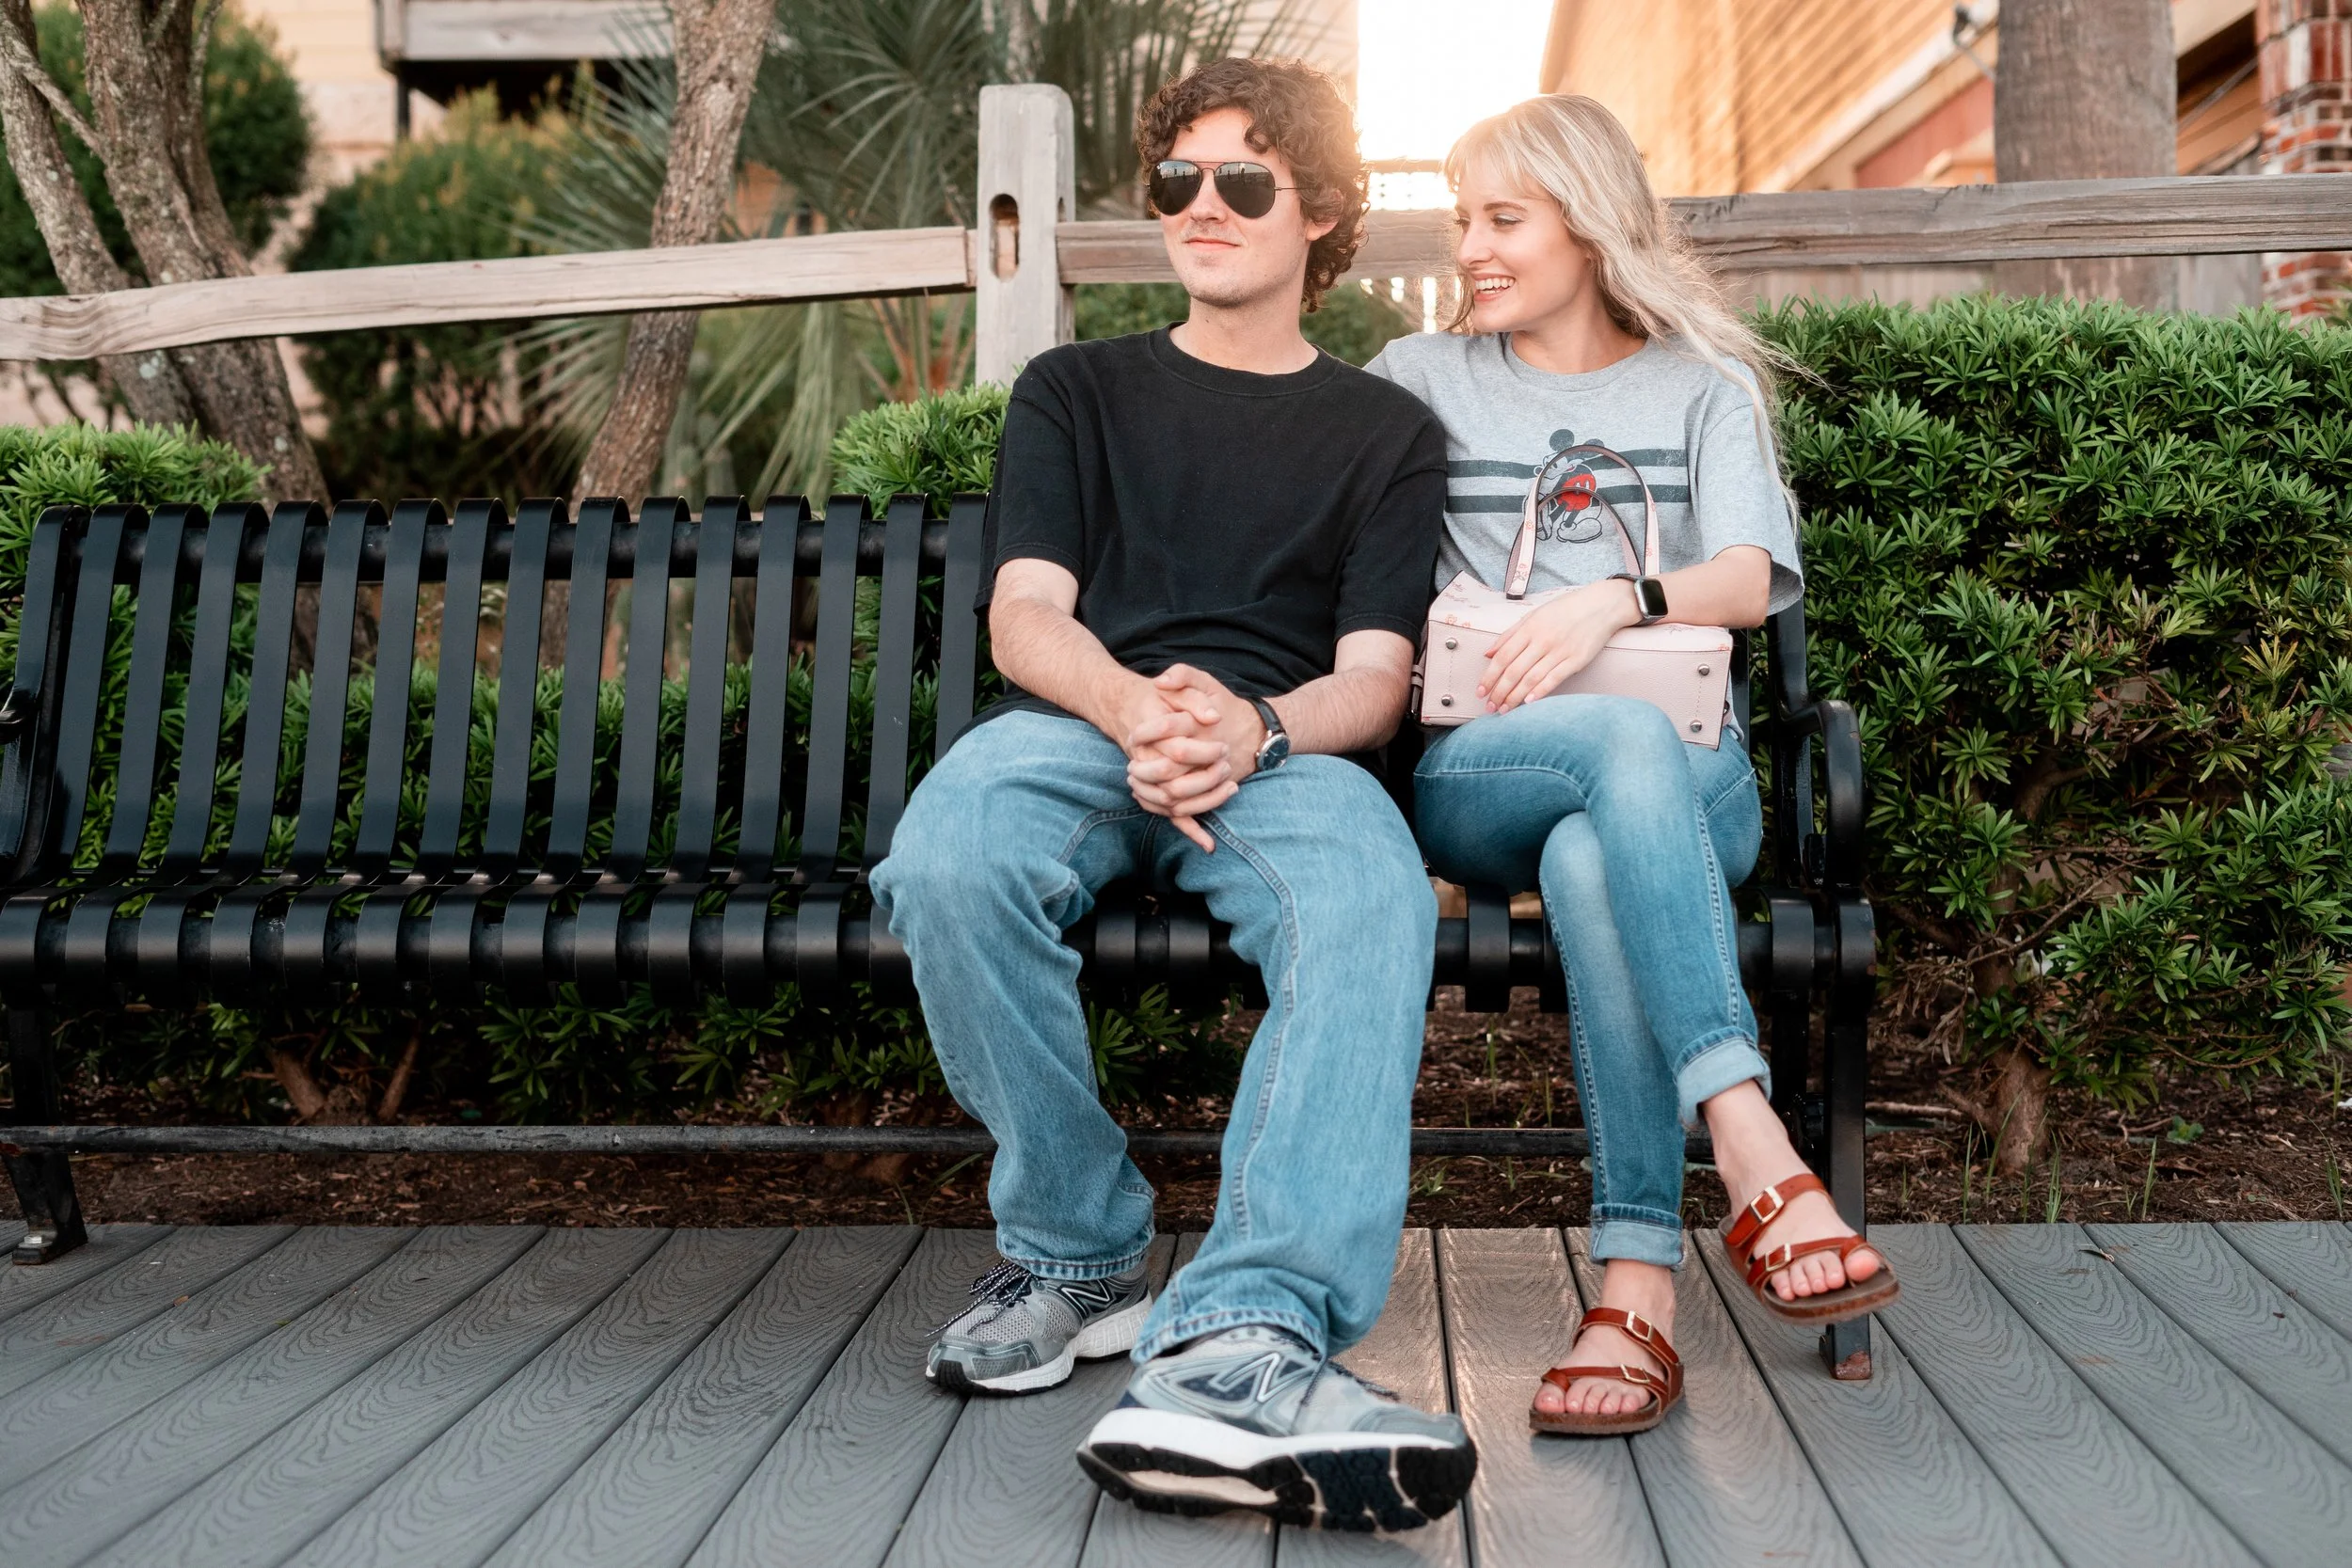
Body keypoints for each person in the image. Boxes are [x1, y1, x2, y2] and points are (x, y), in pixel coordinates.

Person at [870, 57, 1477, 1531]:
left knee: (1369, 899)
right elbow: (1026, 615)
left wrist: (1249, 730)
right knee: (949, 856)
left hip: (1282, 752)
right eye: (1177, 179)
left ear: (1320, 213)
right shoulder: (1076, 390)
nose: (1203, 205)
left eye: (1245, 181)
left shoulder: (1384, 432)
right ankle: (1078, 1252)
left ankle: (1246, 1328)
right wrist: (1140, 710)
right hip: (1085, 724)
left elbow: (1374, 679)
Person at [1364, 95, 1899, 1438]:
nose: (1469, 246)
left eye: (1504, 219)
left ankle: (1637, 1291)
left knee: (1595, 848)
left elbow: (1747, 578)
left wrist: (1616, 599)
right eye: (1463, 217)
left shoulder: (1703, 387)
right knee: (1613, 749)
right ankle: (1750, 1138)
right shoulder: (1420, 376)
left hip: (1688, 785)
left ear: (1589, 225)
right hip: (1483, 768)